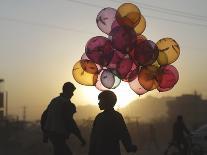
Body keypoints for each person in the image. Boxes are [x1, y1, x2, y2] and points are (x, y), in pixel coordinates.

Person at [41, 82, 86, 155]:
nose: (72, 94)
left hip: (52, 134)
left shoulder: (54, 100)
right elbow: (70, 122)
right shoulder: (66, 103)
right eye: (72, 92)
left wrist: (45, 133)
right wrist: (80, 138)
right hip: (58, 134)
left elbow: (44, 116)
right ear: (67, 91)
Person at [88, 90, 137, 155]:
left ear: (106, 102)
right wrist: (129, 147)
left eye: (100, 101)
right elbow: (124, 133)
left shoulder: (99, 117)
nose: (98, 103)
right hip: (113, 150)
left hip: (100, 150)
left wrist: (91, 151)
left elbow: (94, 137)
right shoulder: (116, 116)